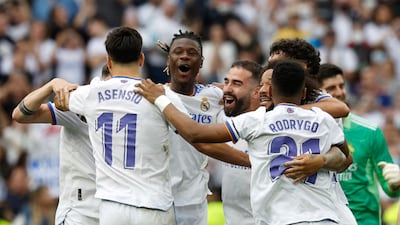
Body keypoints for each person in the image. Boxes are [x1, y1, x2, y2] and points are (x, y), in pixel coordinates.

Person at [135, 60, 350, 225]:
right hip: (325, 216)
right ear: (303, 92)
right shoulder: (323, 119)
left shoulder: (258, 121)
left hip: (281, 218)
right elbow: (344, 158)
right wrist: (321, 161)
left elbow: (195, 134)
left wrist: (161, 99)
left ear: (270, 91)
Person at [55, 26, 176, 225]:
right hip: (155, 204)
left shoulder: (89, 94)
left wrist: (54, 86)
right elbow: (192, 132)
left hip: (112, 207)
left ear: (108, 62)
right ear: (141, 59)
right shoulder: (160, 95)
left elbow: (28, 112)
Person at [157, 30, 250, 225]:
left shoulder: (214, 96)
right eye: (178, 52)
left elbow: (252, 99)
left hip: (194, 200)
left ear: (201, 62)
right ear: (168, 61)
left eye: (192, 53)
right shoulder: (155, 96)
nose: (184, 56)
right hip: (159, 198)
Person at [11, 64, 111, 225]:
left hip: (107, 210)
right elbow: (20, 114)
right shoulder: (80, 104)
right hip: (83, 211)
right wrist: (52, 85)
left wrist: (52, 85)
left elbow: (20, 114)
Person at [317, 63, 400, 225]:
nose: (340, 92)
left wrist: (395, 183)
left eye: (342, 86)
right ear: (317, 93)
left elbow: (389, 188)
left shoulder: (369, 131)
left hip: (364, 220)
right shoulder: (307, 133)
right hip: (325, 219)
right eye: (331, 88)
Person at [220, 60, 263, 225]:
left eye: (236, 83)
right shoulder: (223, 119)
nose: (227, 88)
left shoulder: (266, 124)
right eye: (226, 82)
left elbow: (198, 140)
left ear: (256, 92)